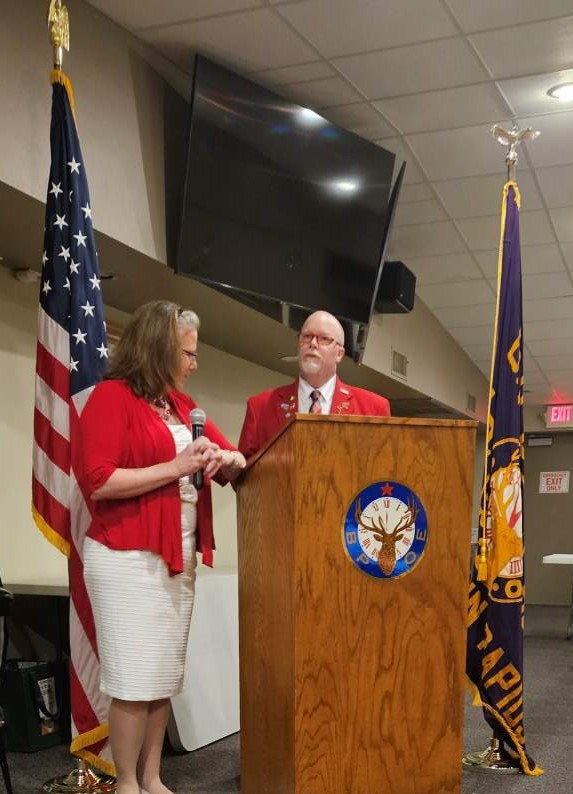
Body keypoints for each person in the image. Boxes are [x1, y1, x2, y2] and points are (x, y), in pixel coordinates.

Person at [77, 300, 246, 794]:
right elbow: (100, 481)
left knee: (163, 678)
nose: (194, 363)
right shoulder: (111, 398)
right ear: (158, 349)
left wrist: (226, 456)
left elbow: (230, 454)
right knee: (133, 679)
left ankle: (153, 777)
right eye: (187, 353)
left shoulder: (182, 407)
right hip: (126, 558)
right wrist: (177, 466)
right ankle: (126, 780)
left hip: (177, 558)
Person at [238, 310, 391, 458]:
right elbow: (244, 479)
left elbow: (383, 473)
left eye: (324, 339)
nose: (313, 343)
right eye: (307, 336)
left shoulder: (374, 409)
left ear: (339, 354)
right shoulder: (259, 407)